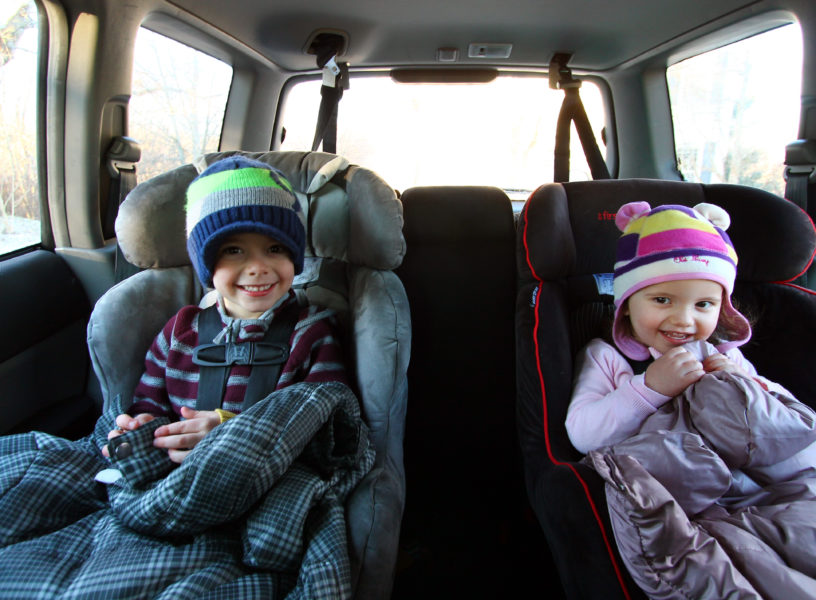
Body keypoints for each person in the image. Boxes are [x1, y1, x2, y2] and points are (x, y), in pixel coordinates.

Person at [103, 155, 348, 463]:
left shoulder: (313, 334)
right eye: (233, 250)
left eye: (275, 248)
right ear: (206, 265)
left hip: (265, 478)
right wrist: (140, 429)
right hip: (174, 473)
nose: (258, 267)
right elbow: (149, 407)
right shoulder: (179, 333)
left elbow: (331, 435)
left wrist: (233, 432)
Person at [566, 201, 793, 455]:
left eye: (703, 304)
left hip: (740, 472)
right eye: (662, 300)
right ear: (626, 303)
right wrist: (650, 389)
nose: (684, 320)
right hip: (658, 480)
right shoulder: (607, 357)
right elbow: (582, 437)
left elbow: (787, 421)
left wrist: (747, 384)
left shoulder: (724, 354)